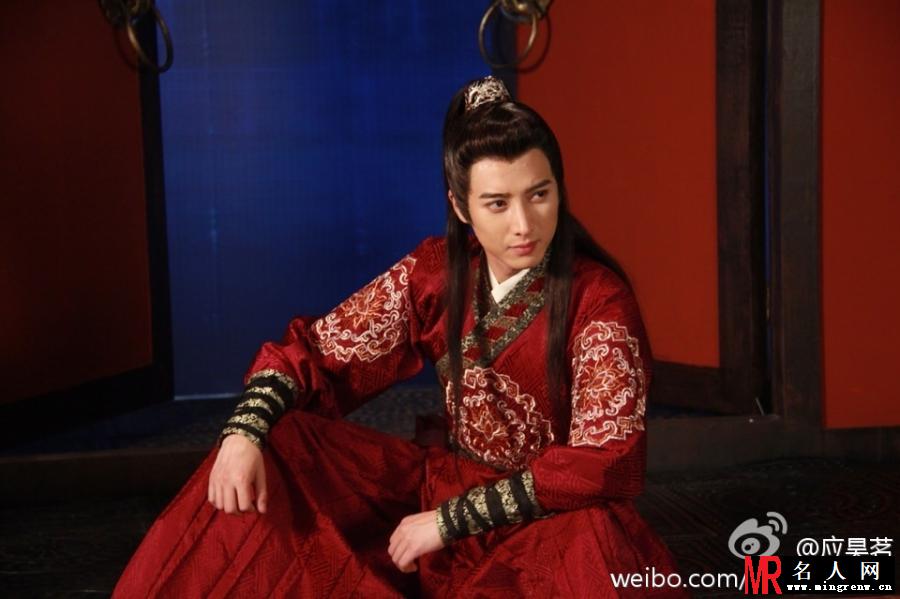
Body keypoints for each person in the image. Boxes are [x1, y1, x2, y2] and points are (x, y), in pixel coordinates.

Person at [113, 76, 688, 598]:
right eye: (497, 203)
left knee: (590, 546)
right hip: (448, 486)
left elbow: (603, 461)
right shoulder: (436, 274)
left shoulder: (598, 300)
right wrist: (244, 432)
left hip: (556, 515)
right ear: (460, 207)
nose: (524, 224)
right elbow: (318, 354)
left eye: (539, 194)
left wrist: (448, 521)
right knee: (279, 438)